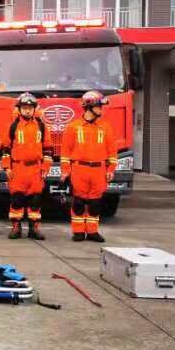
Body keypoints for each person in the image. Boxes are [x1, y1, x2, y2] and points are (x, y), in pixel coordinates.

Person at [60, 90, 118, 243]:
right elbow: (65, 152)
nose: (101, 109)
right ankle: (78, 232)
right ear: (89, 106)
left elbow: (112, 151)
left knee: (95, 203)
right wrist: (65, 171)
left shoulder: (105, 127)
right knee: (78, 202)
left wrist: (111, 169)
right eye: (99, 106)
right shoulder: (73, 127)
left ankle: (92, 232)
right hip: (79, 169)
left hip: (99, 170)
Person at [0, 92, 53, 240]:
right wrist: (7, 167)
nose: (27, 111)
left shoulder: (41, 126)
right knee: (17, 200)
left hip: (36, 169)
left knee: (35, 200)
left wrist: (45, 167)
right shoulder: (13, 126)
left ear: (34, 109)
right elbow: (5, 149)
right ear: (19, 109)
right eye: (24, 108)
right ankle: (16, 228)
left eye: (30, 108)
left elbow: (48, 150)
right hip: (18, 168)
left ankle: (34, 229)